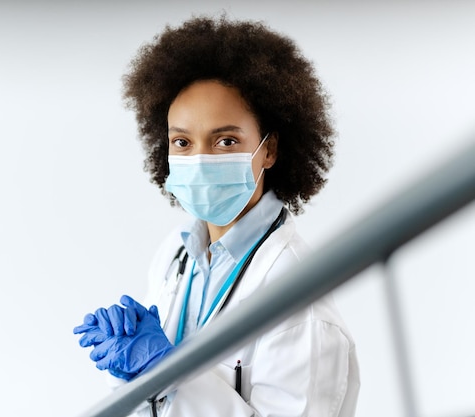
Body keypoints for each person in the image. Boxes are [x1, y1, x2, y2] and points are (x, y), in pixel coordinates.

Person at [73, 15, 360, 417]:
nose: (201, 159)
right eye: (182, 141)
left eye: (226, 140)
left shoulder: (299, 303)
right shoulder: (174, 256)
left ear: (270, 149)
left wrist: (165, 371)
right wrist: (127, 371)